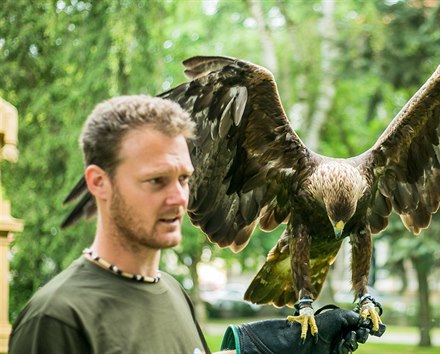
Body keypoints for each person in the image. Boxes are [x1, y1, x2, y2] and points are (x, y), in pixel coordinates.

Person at [8, 95, 381, 354]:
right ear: (98, 183)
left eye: (185, 179)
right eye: (157, 180)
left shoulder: (169, 290)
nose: (179, 198)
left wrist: (271, 347)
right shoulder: (57, 318)